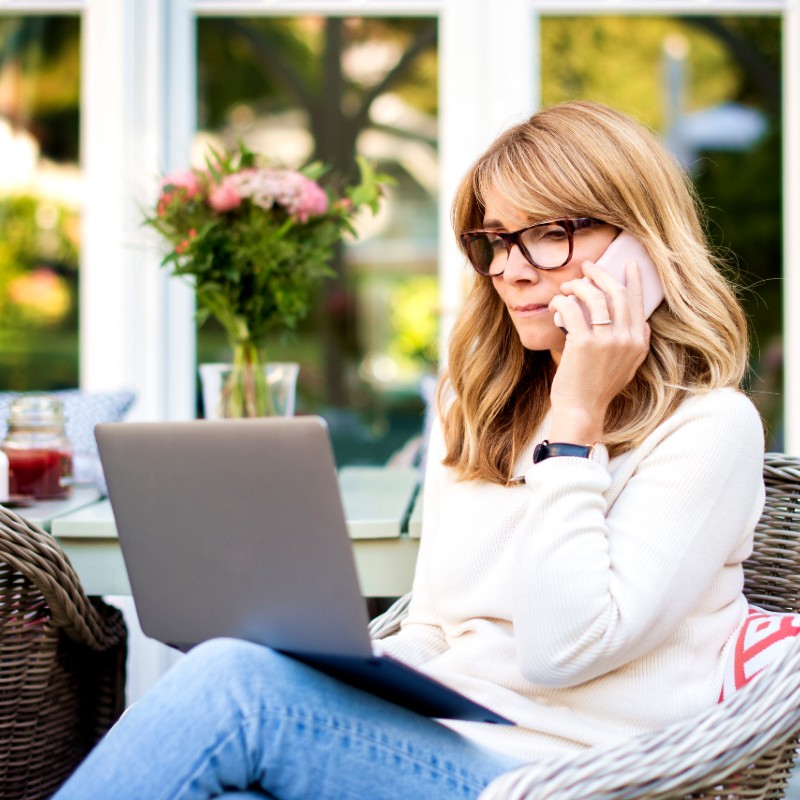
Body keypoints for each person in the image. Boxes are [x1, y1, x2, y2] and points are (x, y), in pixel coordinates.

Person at [54, 100, 765, 800]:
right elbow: (433, 624)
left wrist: (576, 419)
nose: (511, 270)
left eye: (549, 233)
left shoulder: (709, 430)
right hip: (436, 746)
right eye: (494, 239)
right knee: (238, 699)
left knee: (234, 690)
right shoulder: (481, 403)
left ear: (640, 244)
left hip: (568, 778)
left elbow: (561, 652)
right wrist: (336, 670)